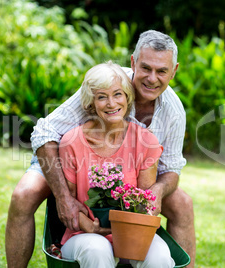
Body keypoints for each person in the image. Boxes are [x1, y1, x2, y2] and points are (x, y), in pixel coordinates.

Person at [6, 30, 196, 268]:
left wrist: (157, 190)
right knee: (23, 195)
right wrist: (63, 196)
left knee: (182, 204)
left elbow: (171, 168)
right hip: (71, 156)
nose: (152, 78)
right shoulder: (105, 83)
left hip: (133, 170)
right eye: (146, 68)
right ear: (133, 62)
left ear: (174, 71)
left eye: (162, 71)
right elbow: (45, 133)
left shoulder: (173, 111)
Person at [58, 61, 174, 267]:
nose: (111, 103)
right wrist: (91, 227)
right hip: (84, 233)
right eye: (102, 97)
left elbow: (144, 203)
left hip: (132, 230)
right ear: (91, 103)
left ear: (127, 97)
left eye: (118, 94)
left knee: (160, 257)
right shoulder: (71, 142)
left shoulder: (145, 141)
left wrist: (124, 230)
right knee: (97, 250)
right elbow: (70, 202)